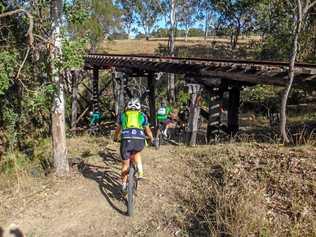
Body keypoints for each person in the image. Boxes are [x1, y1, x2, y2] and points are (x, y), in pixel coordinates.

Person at [114, 98, 154, 194]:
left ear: (127, 107)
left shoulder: (123, 115)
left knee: (125, 164)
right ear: (139, 108)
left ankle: (123, 186)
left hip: (126, 140)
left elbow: (118, 129)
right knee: (136, 152)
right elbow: (147, 130)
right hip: (139, 140)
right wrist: (151, 138)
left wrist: (115, 138)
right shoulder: (142, 115)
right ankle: (140, 171)